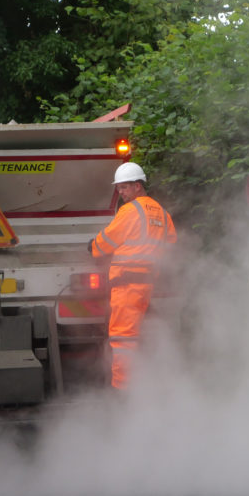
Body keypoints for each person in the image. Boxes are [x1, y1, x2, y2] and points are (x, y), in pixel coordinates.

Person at [89, 161, 176, 389]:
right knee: (138, 336)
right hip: (147, 286)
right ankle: (147, 384)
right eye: (118, 188)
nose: (120, 192)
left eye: (124, 187)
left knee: (122, 339)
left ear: (138, 185)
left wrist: (93, 246)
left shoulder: (130, 211)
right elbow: (170, 245)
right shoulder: (162, 213)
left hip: (127, 286)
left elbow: (108, 240)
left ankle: (122, 389)